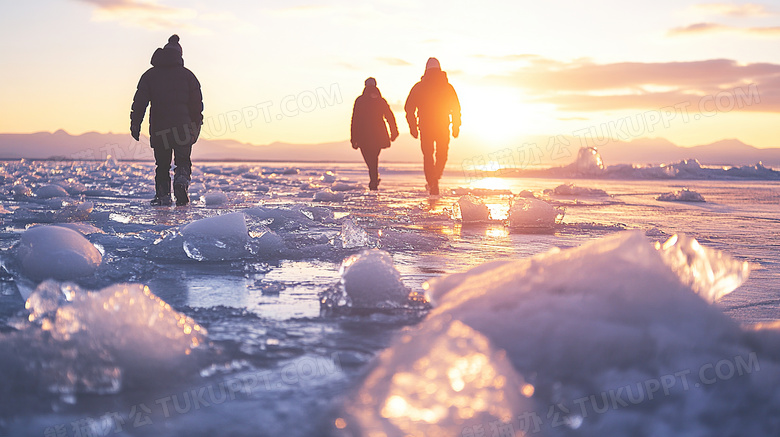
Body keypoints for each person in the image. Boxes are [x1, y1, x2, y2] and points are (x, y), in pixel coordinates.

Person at [131, 34, 203, 206]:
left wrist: (135, 124)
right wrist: (196, 127)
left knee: (162, 165)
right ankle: (181, 182)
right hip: (183, 129)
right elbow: (196, 106)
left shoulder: (149, 75)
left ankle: (163, 196)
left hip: (159, 129)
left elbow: (139, 103)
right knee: (183, 161)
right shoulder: (188, 76)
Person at [404, 57, 461, 195]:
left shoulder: (419, 86)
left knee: (428, 156)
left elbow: (409, 108)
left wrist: (412, 126)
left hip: (426, 126)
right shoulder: (447, 87)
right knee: (442, 154)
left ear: (426, 69)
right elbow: (456, 109)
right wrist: (455, 126)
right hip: (442, 125)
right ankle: (434, 178)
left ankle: (432, 181)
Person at [350, 77, 399, 190]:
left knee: (370, 158)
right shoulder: (380, 100)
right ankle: (374, 178)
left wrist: (354, 138)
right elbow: (390, 117)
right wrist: (394, 131)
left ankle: (373, 180)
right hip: (378, 134)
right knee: (374, 157)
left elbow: (355, 120)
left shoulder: (360, 100)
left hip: (363, 135)